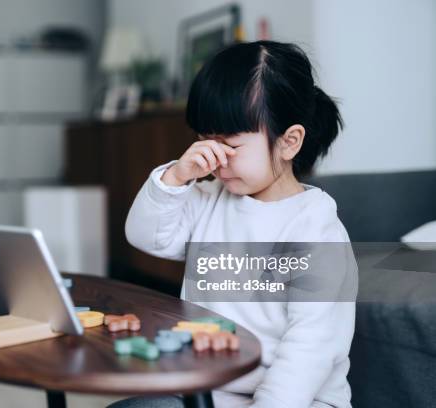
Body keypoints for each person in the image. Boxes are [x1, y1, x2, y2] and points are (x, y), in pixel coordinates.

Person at [120, 41, 356, 408]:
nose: (214, 159)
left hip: (298, 398)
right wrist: (177, 177)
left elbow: (311, 346)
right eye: (204, 141)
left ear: (289, 142)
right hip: (210, 390)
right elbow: (144, 235)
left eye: (229, 146)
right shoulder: (211, 198)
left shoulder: (314, 227)